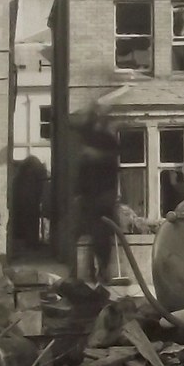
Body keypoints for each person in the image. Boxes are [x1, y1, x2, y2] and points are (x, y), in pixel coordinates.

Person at [73, 103, 119, 285]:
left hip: (103, 194)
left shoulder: (107, 140)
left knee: (101, 234)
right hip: (89, 194)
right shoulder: (87, 138)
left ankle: (103, 270)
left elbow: (113, 160)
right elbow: (82, 170)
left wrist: (94, 154)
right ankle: (88, 272)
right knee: (84, 231)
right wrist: (78, 192)